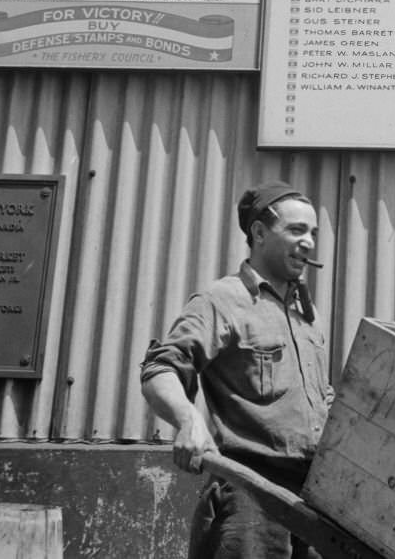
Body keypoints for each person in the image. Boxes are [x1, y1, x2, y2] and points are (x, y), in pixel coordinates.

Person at [141, 180, 331, 559]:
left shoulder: (308, 316)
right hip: (251, 495)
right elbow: (161, 367)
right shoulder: (222, 301)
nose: (308, 241)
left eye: (312, 232)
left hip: (315, 501)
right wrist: (188, 419)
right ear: (259, 233)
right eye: (296, 230)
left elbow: (321, 398)